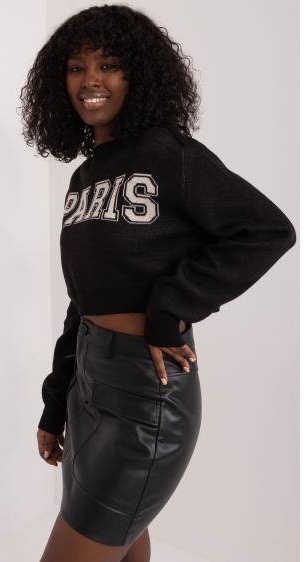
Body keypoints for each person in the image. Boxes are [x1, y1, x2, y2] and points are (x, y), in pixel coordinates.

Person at [18, 5, 297, 562]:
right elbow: (84, 298)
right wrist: (56, 402)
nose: (91, 80)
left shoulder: (170, 155)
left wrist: (173, 307)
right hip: (87, 389)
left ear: (138, 75)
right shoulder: (84, 178)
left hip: (146, 394)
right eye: (76, 67)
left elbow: (267, 230)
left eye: (109, 65)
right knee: (122, 548)